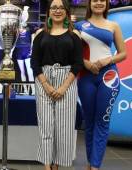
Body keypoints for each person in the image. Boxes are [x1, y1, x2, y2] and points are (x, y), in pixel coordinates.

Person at [30, 0, 83, 169]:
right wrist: (46, 85)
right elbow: (34, 62)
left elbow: (78, 63)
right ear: (49, 11)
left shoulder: (75, 35)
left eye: (61, 7)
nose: (57, 10)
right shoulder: (40, 34)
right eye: (54, 7)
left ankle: (57, 165)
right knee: (46, 127)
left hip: (67, 81)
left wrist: (63, 87)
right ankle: (47, 167)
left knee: (64, 128)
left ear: (66, 12)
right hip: (43, 80)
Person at [74, 0, 126, 169]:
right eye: (94, 0)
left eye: (101, 0)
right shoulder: (79, 25)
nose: (98, 3)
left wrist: (107, 60)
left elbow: (123, 53)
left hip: (109, 76)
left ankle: (95, 166)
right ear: (90, 4)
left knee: (102, 121)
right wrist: (85, 63)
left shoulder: (113, 25)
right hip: (86, 77)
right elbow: (72, 52)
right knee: (89, 122)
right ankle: (90, 162)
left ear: (106, 4)